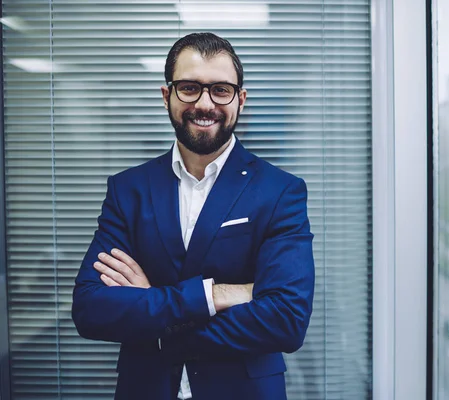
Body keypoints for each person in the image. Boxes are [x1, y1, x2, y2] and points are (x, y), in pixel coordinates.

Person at [71, 32, 315, 400]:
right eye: (189, 88)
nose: (205, 103)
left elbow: (286, 321)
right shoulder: (128, 190)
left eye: (221, 90)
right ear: (167, 95)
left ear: (240, 100)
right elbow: (91, 309)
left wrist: (154, 310)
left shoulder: (280, 191)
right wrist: (211, 295)